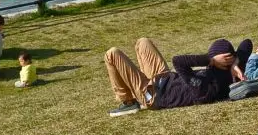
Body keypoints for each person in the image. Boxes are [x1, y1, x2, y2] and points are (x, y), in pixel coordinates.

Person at [103, 38, 250, 117]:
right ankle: (138, 85)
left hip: (152, 94)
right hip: (164, 77)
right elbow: (247, 43)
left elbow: (178, 61)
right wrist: (235, 64)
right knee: (143, 42)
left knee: (112, 54)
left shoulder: (206, 88)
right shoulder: (231, 71)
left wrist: (209, 59)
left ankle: (128, 102)